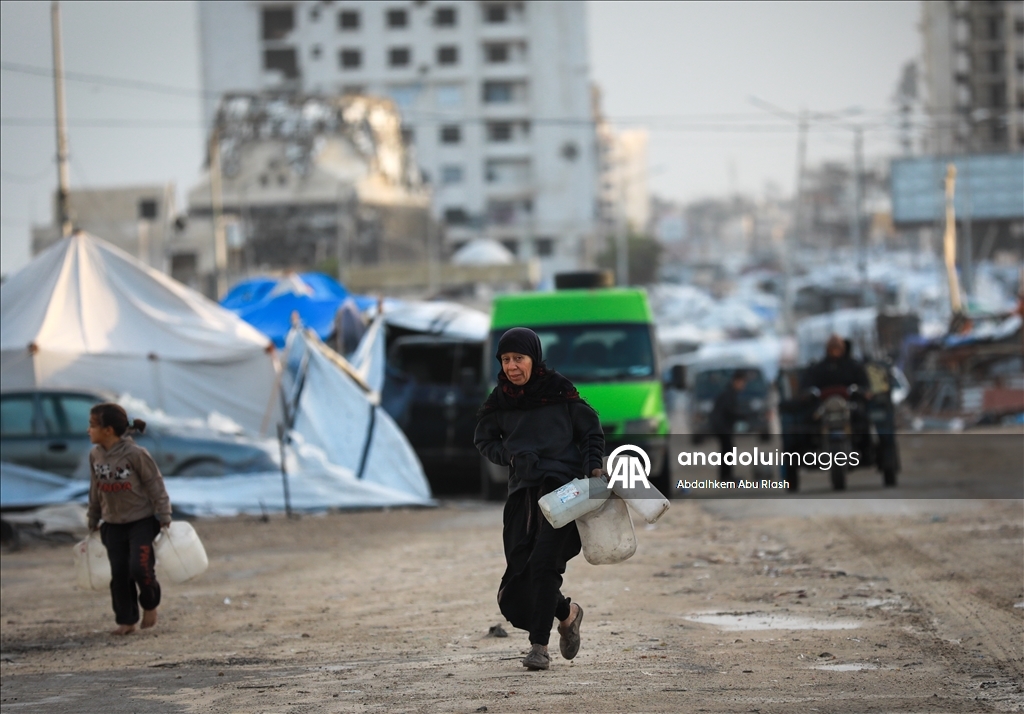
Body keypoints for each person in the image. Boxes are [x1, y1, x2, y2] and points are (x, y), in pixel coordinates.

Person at [474, 328, 604, 671]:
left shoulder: (559, 392)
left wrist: (593, 468)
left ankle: (539, 647)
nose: (513, 366)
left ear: (534, 357)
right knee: (520, 574)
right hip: (522, 495)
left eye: (519, 358)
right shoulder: (500, 399)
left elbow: (591, 431)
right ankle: (568, 613)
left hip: (562, 492)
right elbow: (484, 440)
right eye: (506, 359)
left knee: (545, 565)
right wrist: (511, 457)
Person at [86, 404, 172, 636]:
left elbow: (155, 483)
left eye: (93, 425)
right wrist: (93, 516)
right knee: (120, 573)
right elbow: (96, 488)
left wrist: (164, 514)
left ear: (108, 430)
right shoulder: (95, 455)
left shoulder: (136, 455)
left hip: (140, 522)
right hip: (112, 524)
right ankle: (126, 620)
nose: (88, 430)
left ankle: (150, 603)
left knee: (140, 568)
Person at [709, 370, 746, 482]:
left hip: (722, 426)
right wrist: (744, 415)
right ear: (737, 381)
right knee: (727, 450)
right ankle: (726, 477)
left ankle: (726, 476)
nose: (743, 386)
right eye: (742, 383)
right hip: (722, 427)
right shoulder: (729, 393)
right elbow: (730, 411)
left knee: (727, 450)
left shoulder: (729, 392)